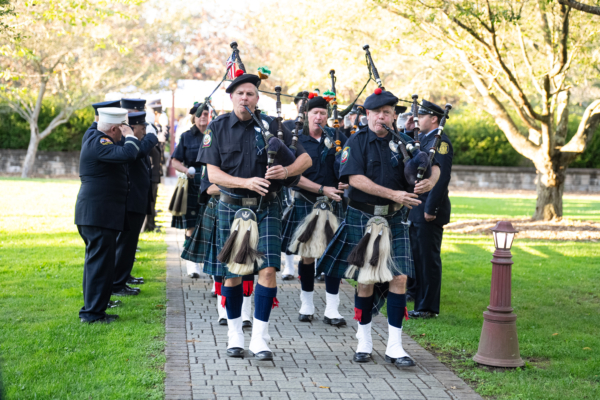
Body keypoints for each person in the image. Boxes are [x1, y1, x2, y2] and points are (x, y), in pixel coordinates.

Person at [317, 89, 440, 367]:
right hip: (364, 216)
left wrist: (429, 181)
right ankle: (364, 341)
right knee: (366, 280)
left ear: (394, 116)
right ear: (367, 115)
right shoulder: (356, 142)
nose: (381, 118)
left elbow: (434, 167)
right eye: (375, 113)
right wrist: (395, 194)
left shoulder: (406, 142)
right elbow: (355, 179)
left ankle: (395, 346)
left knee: (399, 278)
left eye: (386, 113)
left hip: (394, 219)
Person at [199, 72, 311, 361]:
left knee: (269, 270)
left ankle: (260, 337)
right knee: (233, 273)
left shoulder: (272, 126)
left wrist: (286, 171)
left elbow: (305, 160)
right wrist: (246, 182)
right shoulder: (219, 127)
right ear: (232, 97)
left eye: (250, 93)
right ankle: (235, 333)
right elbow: (213, 174)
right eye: (240, 93)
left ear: (257, 98)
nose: (245, 98)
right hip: (232, 206)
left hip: (267, 207)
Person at [280, 95, 349, 325]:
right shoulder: (296, 140)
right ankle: (307, 304)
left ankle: (332, 309)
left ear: (327, 115)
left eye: (322, 113)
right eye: (314, 113)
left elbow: (349, 168)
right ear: (307, 115)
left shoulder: (338, 137)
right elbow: (293, 176)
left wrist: (344, 181)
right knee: (307, 255)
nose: (319, 117)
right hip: (306, 201)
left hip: (333, 204)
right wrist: (322, 188)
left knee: (332, 256)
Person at [75, 107, 139, 324]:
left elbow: (99, 126)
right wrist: (131, 136)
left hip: (97, 215)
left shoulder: (93, 135)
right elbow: (129, 154)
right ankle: (92, 314)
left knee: (98, 264)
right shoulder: (99, 142)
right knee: (99, 266)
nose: (122, 136)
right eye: (120, 131)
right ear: (113, 128)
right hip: (98, 215)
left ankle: (94, 310)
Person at [407, 100, 454, 319]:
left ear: (434, 118)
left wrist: (431, 207)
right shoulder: (424, 139)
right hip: (416, 208)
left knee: (428, 259)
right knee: (417, 256)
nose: (417, 120)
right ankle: (416, 295)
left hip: (428, 209)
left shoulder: (440, 142)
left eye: (421, 116)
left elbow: (441, 177)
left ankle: (427, 307)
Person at [111, 111, 158, 296]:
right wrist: (153, 137)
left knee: (130, 245)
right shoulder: (127, 143)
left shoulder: (136, 142)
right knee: (125, 244)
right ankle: (117, 283)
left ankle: (123, 277)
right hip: (130, 201)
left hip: (137, 199)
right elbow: (140, 152)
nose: (145, 131)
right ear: (131, 128)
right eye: (142, 127)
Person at [170, 103, 210, 278]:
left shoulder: (214, 135)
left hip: (211, 184)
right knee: (191, 225)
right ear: (194, 117)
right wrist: (186, 170)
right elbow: (175, 161)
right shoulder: (186, 137)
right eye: (199, 114)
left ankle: (209, 264)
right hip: (193, 184)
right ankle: (192, 264)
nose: (202, 117)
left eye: (206, 114)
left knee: (211, 225)